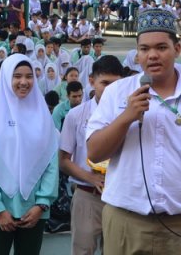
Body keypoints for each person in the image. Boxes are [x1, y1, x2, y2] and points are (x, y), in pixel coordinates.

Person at [86, 8, 181, 255]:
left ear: (177, 49)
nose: (152, 55)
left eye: (161, 47)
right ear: (137, 55)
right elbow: (94, 152)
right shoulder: (116, 94)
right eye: (144, 49)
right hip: (126, 222)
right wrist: (126, 117)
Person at [0, 54, 59, 255]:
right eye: (17, 76)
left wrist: (42, 204)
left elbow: (51, 162)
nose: (24, 82)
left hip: (34, 210)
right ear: (6, 78)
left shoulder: (43, 117)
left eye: (29, 76)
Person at [59, 55, 124, 255]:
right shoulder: (76, 115)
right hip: (88, 196)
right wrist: (91, 177)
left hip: (121, 197)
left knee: (116, 251)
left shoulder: (128, 115)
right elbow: (63, 160)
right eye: (104, 83)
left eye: (116, 84)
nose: (110, 89)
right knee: (83, 249)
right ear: (91, 81)